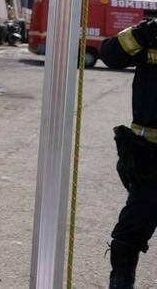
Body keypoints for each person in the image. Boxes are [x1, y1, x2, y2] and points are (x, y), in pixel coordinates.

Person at [103, 17, 157, 288]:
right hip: (150, 158)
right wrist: (146, 31)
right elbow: (110, 54)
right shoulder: (150, 34)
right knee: (131, 230)